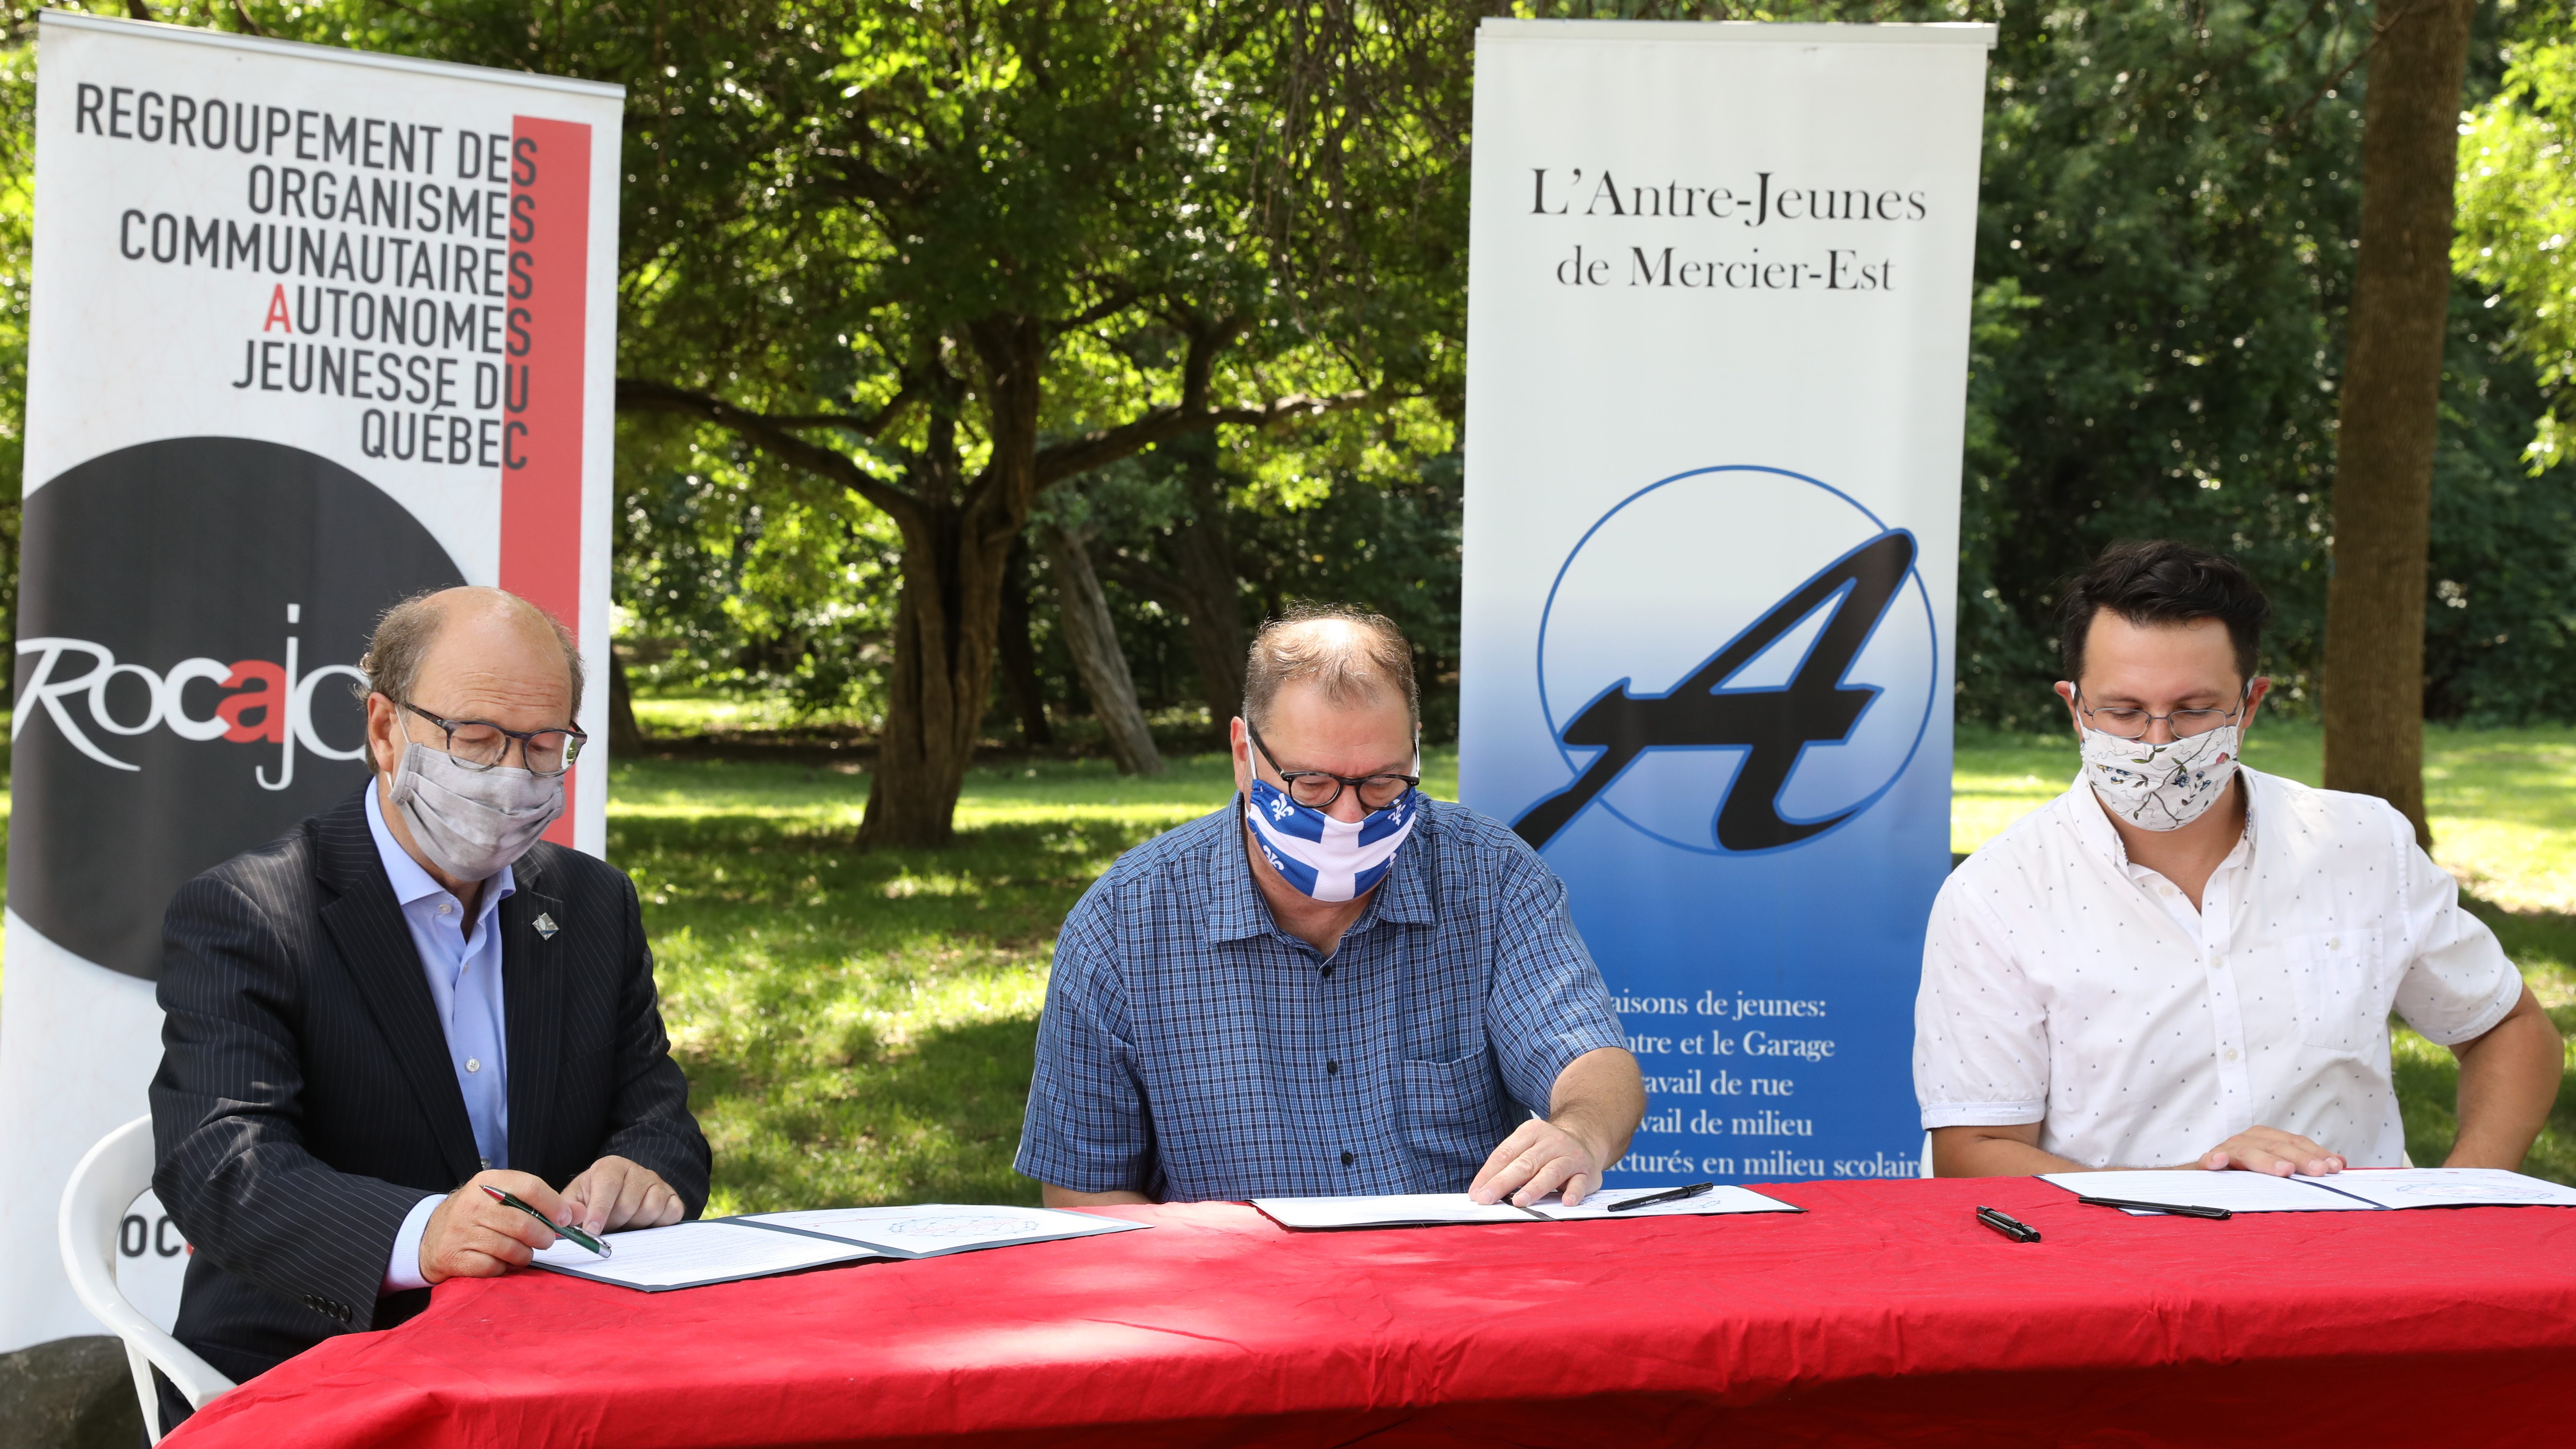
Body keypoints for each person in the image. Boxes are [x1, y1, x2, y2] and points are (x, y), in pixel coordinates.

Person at [151, 587, 709, 1423]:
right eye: (477, 740)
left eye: (545, 745)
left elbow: (660, 1118)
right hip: (313, 1368)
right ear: (385, 729)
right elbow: (222, 1166)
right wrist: (422, 1234)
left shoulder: (593, 905)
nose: (514, 777)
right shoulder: (253, 911)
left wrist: (646, 1172)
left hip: (553, 1359)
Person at [1916, 541, 2561, 1178]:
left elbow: (2507, 1028)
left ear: (2250, 705)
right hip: (2117, 1266)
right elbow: (1975, 1148)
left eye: (2194, 710)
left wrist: (2465, 1195)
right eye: (2124, 712)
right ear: (2075, 709)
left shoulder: (2362, 845)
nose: (2157, 741)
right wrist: (2192, 1188)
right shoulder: (1997, 895)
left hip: (2354, 1259)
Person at [1017, 605, 1644, 1208]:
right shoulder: (1124, 925)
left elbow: (1590, 1061)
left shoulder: (1491, 876)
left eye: (1383, 782)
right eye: (1311, 784)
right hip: (1237, 1296)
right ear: (1244, 755)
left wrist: (1580, 1134)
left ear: (1416, 752)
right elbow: (1085, 1191)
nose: (1349, 817)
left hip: (1450, 1284)